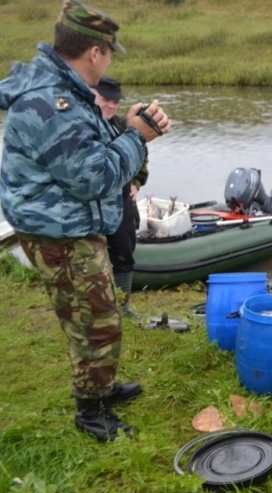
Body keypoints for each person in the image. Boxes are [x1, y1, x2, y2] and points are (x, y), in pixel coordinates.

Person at [0, 0, 172, 441]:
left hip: (64, 223)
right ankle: (91, 411)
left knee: (95, 313)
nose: (110, 59)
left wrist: (129, 129)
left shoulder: (65, 91)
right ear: (95, 52)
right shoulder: (53, 102)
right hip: (59, 230)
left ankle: (101, 386)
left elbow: (90, 151)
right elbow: (94, 177)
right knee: (95, 320)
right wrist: (138, 136)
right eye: (110, 51)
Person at [92, 76, 148, 318]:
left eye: (115, 101)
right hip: (91, 204)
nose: (111, 106)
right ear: (92, 95)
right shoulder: (82, 125)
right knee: (92, 258)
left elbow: (141, 155)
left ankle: (123, 307)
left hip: (123, 199)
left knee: (124, 253)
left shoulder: (123, 126)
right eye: (106, 99)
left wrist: (136, 182)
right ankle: (97, 308)